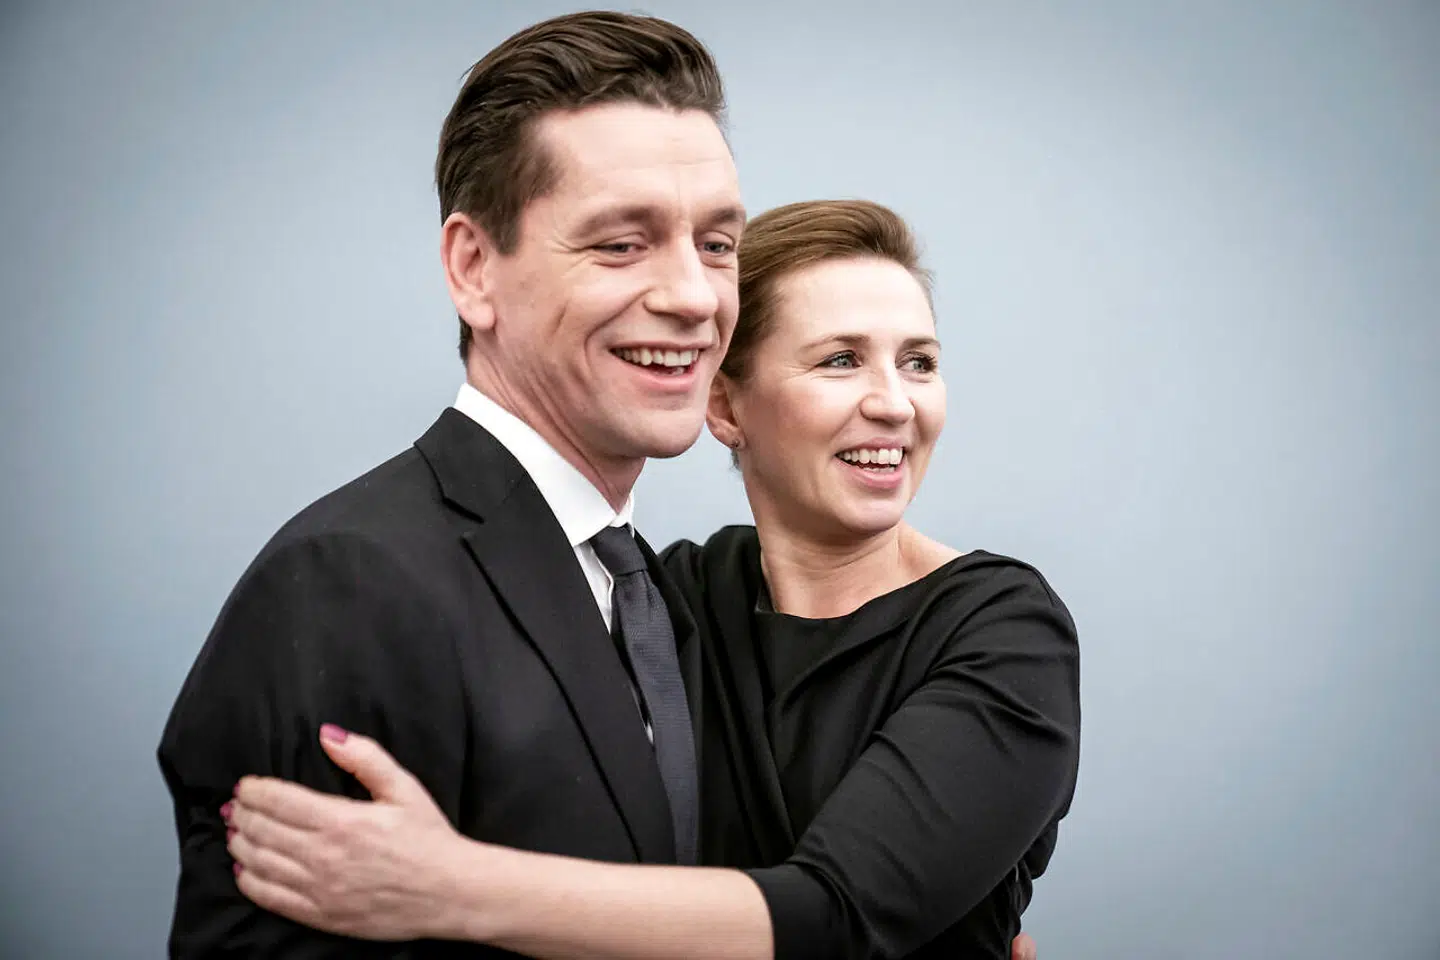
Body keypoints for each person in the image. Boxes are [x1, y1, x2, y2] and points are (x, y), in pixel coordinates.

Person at [223, 200, 1081, 958]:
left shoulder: (1005, 632)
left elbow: (837, 916)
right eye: (841, 361)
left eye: (919, 362)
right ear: (724, 406)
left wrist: (445, 887)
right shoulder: (662, 599)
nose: (896, 403)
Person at [158, 11, 746, 956]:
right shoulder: (348, 583)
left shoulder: (650, 590)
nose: (694, 296)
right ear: (473, 269)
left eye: (716, 244)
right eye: (620, 244)